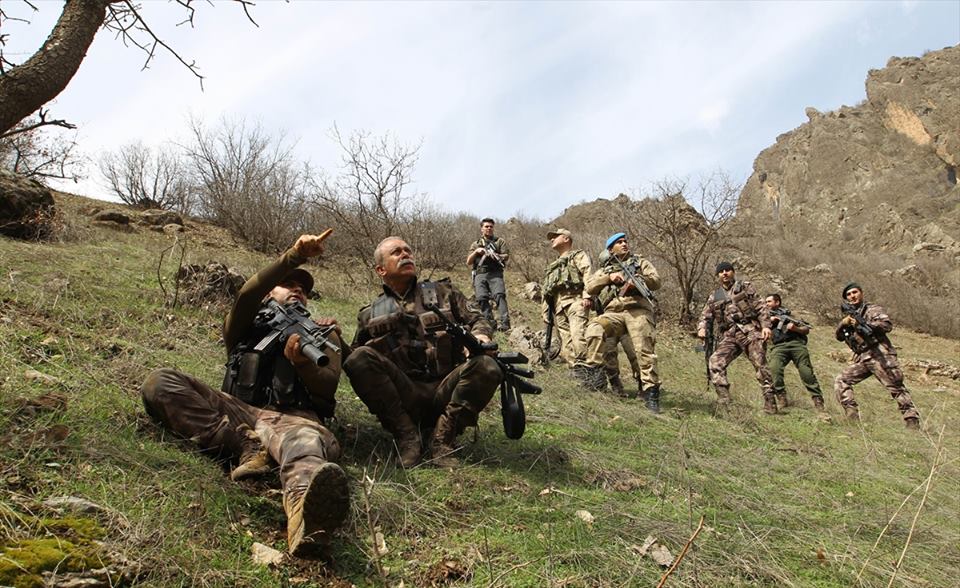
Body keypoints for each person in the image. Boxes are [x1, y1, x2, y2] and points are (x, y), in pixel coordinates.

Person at [140, 232, 350, 556]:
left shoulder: (324, 332)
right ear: (269, 292)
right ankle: (245, 446)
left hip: (295, 421)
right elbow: (247, 295)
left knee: (306, 450)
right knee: (161, 383)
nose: (299, 290)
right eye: (289, 283)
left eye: (305, 290)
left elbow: (328, 383)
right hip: (239, 412)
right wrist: (293, 256)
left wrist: (302, 363)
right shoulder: (246, 324)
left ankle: (306, 521)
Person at [344, 237, 502, 468]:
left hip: (446, 388)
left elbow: (478, 319)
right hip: (404, 394)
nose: (405, 255)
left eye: (407, 250)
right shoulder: (370, 314)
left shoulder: (443, 292)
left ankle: (442, 441)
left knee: (487, 365)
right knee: (358, 359)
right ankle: (408, 439)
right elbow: (356, 358)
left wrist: (480, 337)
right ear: (380, 269)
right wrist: (334, 337)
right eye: (396, 253)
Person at [577, 232, 663, 413]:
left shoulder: (640, 262)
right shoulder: (606, 269)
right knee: (594, 328)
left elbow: (656, 281)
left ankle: (651, 392)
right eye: (619, 242)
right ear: (610, 249)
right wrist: (610, 278)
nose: (624, 244)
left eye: (625, 241)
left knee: (643, 350)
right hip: (613, 313)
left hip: (637, 310)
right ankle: (594, 375)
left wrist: (637, 281)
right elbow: (590, 286)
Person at [833, 283, 920, 429]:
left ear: (861, 293)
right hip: (863, 357)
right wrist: (843, 324)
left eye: (854, 292)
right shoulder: (848, 317)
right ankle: (852, 414)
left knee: (896, 387)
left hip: (880, 354)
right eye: (848, 294)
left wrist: (864, 324)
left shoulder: (872, 309)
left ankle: (912, 420)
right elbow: (839, 337)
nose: (852, 296)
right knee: (842, 380)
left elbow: (886, 325)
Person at [696, 262, 776, 413]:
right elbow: (705, 315)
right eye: (721, 271)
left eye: (728, 270)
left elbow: (761, 307)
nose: (725, 273)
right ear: (718, 275)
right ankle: (724, 401)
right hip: (730, 335)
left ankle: (770, 403)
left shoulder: (744, 287)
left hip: (750, 331)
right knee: (715, 362)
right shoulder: (716, 295)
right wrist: (701, 328)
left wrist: (766, 326)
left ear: (733, 272)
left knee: (761, 366)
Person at [764, 293, 831, 421]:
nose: (766, 304)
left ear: (777, 302)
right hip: (778, 346)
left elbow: (806, 329)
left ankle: (818, 401)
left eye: (769, 301)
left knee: (806, 372)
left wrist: (795, 329)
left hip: (796, 344)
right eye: (765, 302)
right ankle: (782, 399)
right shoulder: (764, 315)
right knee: (774, 369)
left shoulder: (791, 315)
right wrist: (769, 321)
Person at [541, 228, 593, 366]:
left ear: (566, 238)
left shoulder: (577, 255)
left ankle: (586, 369)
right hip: (558, 307)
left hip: (576, 301)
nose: (552, 239)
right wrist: (546, 311)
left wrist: (587, 296)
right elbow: (546, 290)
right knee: (566, 342)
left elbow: (587, 273)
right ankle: (575, 370)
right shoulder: (553, 266)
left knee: (578, 336)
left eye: (556, 236)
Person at [466, 218, 511, 331]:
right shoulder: (476, 244)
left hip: (495, 273)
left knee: (500, 296)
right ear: (482, 229)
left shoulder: (499, 241)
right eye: (486, 226)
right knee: (481, 298)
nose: (489, 228)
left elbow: (506, 255)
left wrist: (496, 255)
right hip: (480, 273)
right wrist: (477, 251)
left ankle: (505, 323)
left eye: (491, 226)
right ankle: (489, 322)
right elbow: (468, 262)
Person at [603, 333, 643, 398]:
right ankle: (616, 386)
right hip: (609, 325)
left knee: (635, 353)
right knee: (609, 353)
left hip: (629, 326)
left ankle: (643, 385)